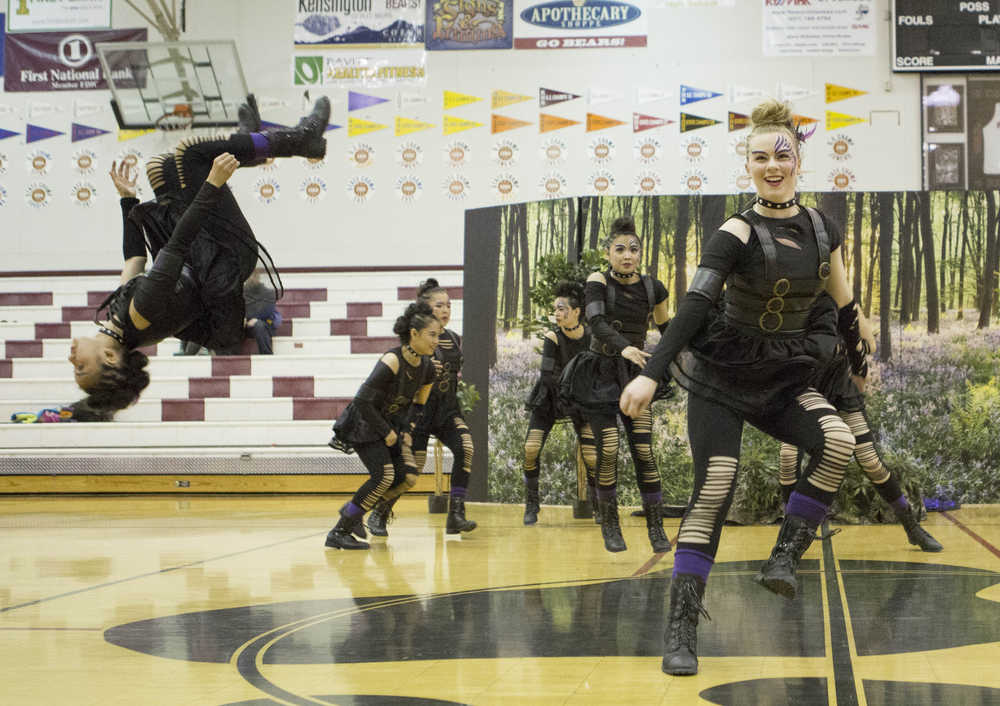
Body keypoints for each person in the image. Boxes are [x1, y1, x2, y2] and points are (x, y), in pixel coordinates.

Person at [620, 98, 872, 676]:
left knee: (837, 441)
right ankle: (681, 628)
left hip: (785, 372)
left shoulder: (821, 228)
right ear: (749, 166)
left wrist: (857, 354)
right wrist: (650, 371)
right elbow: (694, 306)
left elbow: (845, 302)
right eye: (759, 157)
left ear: (798, 159)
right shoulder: (735, 231)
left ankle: (782, 558)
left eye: (781, 154)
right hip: (722, 375)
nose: (771, 165)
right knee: (716, 486)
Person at [68, 96, 330, 420]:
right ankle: (303, 138)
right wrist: (212, 185)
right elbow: (176, 244)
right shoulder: (142, 313)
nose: (71, 359)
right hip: (222, 254)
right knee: (192, 153)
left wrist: (128, 200)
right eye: (81, 367)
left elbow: (134, 261)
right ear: (109, 356)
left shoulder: (124, 322)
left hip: (202, 253)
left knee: (158, 167)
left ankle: (250, 140)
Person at [778, 295, 942, 552]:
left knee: (870, 461)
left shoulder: (841, 302)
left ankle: (911, 526)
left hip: (840, 389)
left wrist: (852, 333)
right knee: (788, 458)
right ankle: (789, 539)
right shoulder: (791, 298)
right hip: (802, 388)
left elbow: (871, 345)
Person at [560, 215, 672, 554]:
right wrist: (624, 347)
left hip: (636, 376)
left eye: (633, 249)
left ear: (640, 253)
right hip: (600, 375)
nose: (627, 255)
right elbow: (595, 321)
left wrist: (678, 358)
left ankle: (656, 528)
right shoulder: (597, 280)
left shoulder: (655, 288)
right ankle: (610, 525)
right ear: (608, 252)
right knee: (608, 449)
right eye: (620, 249)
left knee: (644, 451)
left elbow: (669, 330)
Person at [366, 279, 477, 536]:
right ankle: (380, 512)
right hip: (418, 412)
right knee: (411, 473)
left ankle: (456, 515)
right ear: (425, 309)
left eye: (449, 305)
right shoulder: (414, 338)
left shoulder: (454, 338)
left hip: (447, 410)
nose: (446, 310)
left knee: (467, 446)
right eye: (440, 305)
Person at [326, 301, 439, 550]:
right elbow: (362, 400)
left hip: (391, 426)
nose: (436, 341)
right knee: (384, 476)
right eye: (432, 335)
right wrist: (386, 432)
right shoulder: (392, 360)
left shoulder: (428, 368)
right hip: (364, 423)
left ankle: (353, 511)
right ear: (414, 334)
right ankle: (339, 531)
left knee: (407, 477)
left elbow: (418, 406)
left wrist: (407, 431)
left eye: (438, 336)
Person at [521, 281, 597, 525]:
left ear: (577, 312)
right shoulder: (552, 337)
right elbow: (547, 376)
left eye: (563, 308)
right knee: (530, 449)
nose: (558, 313)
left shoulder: (592, 337)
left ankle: (599, 504)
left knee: (593, 456)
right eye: (556, 308)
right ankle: (532, 504)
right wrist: (566, 395)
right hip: (550, 398)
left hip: (582, 401)